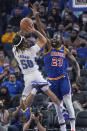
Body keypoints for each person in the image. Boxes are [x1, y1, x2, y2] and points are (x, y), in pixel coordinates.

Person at [31, 5, 81, 131]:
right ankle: (63, 130)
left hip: (63, 78)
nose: (53, 39)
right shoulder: (48, 47)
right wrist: (36, 16)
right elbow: (42, 31)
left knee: (68, 103)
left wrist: (78, 74)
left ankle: (73, 128)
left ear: (61, 40)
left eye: (56, 38)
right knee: (58, 108)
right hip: (52, 81)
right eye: (52, 38)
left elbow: (75, 62)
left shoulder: (64, 49)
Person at [12, 17, 61, 109]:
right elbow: (44, 40)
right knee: (50, 93)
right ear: (23, 43)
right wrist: (33, 30)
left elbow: (17, 39)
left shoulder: (15, 50)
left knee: (23, 104)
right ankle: (62, 108)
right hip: (36, 74)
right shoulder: (31, 50)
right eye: (24, 40)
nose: (25, 40)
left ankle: (35, 89)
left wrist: (22, 28)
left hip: (27, 76)